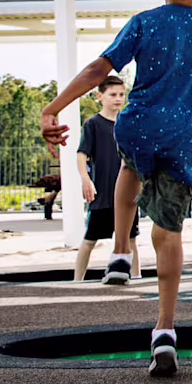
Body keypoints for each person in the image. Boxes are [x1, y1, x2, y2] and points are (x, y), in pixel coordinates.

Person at [40, 0, 192, 378]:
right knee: (168, 233)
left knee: (130, 172)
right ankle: (165, 329)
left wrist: (54, 107)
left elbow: (101, 68)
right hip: (188, 135)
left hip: (141, 126)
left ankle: (118, 251)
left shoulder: (145, 22)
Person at [74, 76, 143, 282]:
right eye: (113, 95)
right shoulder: (92, 124)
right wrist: (85, 179)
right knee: (89, 241)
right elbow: (81, 154)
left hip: (128, 195)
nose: (118, 99)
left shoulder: (128, 123)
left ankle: (136, 276)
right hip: (102, 195)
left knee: (131, 240)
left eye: (121, 94)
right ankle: (77, 280)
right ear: (100, 96)